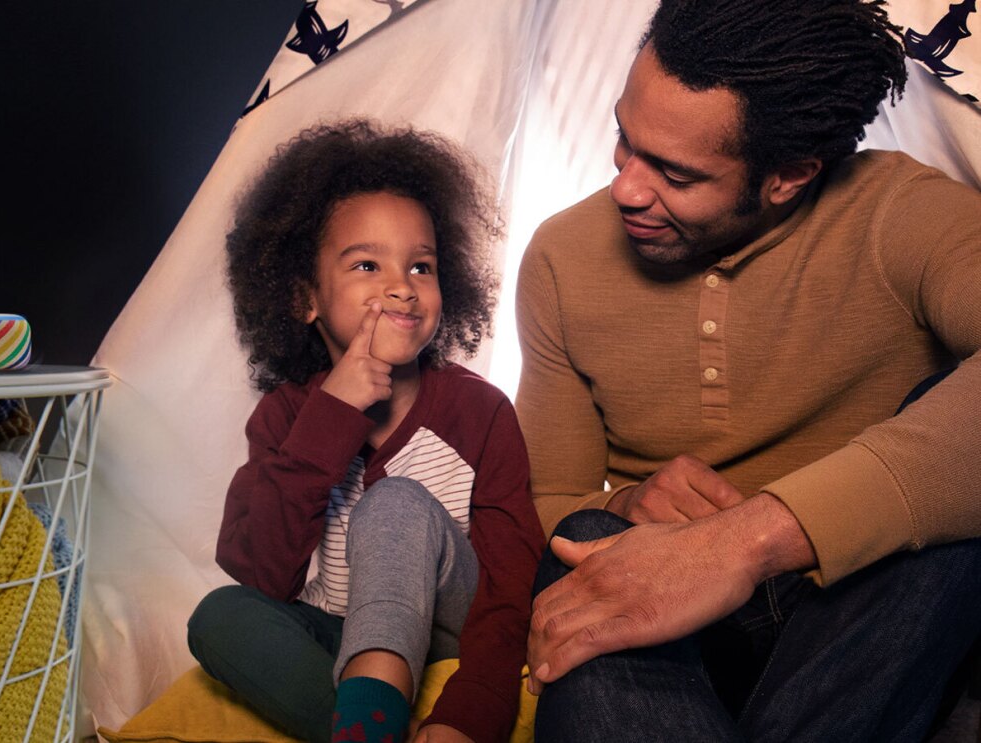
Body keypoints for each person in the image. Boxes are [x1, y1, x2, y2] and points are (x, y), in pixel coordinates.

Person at [515, 0, 981, 740]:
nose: (626, 188)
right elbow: (542, 500)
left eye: (673, 171)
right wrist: (634, 504)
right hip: (676, 648)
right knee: (585, 531)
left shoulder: (901, 211)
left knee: (952, 493)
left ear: (790, 174)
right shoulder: (559, 259)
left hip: (858, 623)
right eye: (622, 139)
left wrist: (747, 540)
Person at [187, 120, 544, 743]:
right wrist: (331, 416)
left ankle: (372, 719)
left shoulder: (481, 413)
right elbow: (263, 573)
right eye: (366, 263)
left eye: (422, 266)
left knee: (397, 501)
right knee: (218, 616)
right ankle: (373, 727)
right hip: (332, 626)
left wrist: (469, 718)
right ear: (306, 298)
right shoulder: (283, 418)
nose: (401, 286)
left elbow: (513, 586)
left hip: (446, 626)